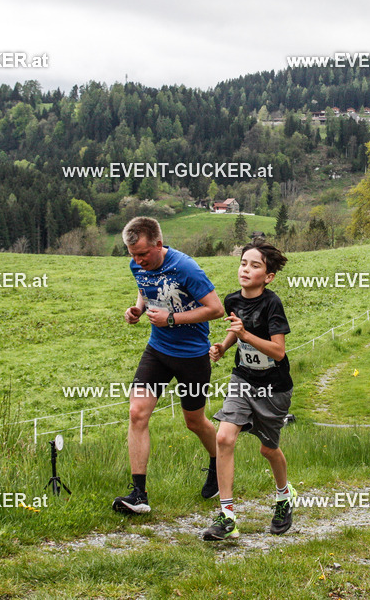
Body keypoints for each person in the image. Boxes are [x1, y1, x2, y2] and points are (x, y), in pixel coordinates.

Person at [112, 216, 226, 515]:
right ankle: (139, 494)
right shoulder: (137, 265)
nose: (137, 260)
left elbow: (216, 309)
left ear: (158, 244)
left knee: (194, 422)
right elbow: (145, 288)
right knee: (137, 413)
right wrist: (137, 308)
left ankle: (219, 463)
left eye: (143, 255)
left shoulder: (185, 267)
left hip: (192, 357)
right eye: (132, 255)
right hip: (158, 350)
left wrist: (173, 319)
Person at [203, 238, 295, 540]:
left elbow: (278, 352)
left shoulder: (272, 303)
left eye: (255, 265)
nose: (246, 269)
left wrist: (244, 334)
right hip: (243, 379)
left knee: (268, 449)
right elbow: (237, 332)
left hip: (273, 386)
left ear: (267, 277)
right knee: (224, 437)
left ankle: (284, 496)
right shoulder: (232, 301)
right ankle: (227, 517)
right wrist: (224, 346)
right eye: (244, 263)